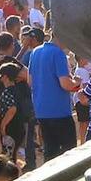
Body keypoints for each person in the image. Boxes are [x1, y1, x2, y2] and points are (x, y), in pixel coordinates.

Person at [27, 28, 79, 161]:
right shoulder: (58, 53)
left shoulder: (35, 52)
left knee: (50, 153)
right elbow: (65, 84)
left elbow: (30, 81)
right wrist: (75, 81)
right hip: (59, 112)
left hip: (41, 110)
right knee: (69, 154)